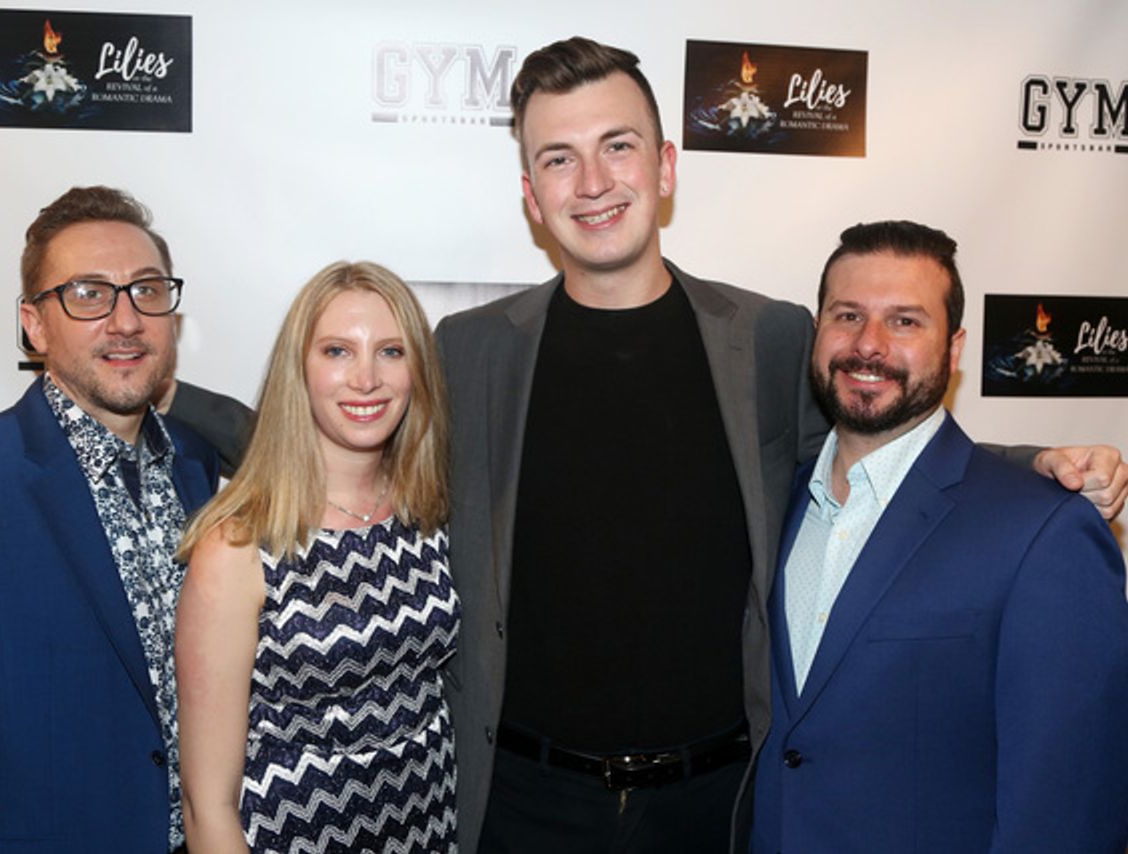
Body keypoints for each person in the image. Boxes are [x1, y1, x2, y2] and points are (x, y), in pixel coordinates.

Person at [431, 37, 1128, 853]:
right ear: (530, 193)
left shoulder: (765, 337)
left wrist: (1037, 469)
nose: (592, 183)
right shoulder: (468, 350)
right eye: (559, 158)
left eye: (616, 146)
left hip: (719, 808)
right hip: (523, 805)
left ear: (664, 165)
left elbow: (874, 447)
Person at [752, 220, 1128, 852]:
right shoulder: (773, 503)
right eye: (847, 315)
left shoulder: (1044, 531)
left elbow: (1072, 808)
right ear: (818, 331)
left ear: (953, 350)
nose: (868, 345)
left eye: (905, 321)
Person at [0, 185, 219, 852]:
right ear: (35, 324)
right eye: (88, 294)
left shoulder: (195, 465)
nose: (126, 321)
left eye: (146, 290)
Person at [175, 261, 459, 853]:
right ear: (298, 371)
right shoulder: (238, 546)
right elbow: (208, 808)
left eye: (390, 351)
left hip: (432, 830)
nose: (366, 379)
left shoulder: (428, 512)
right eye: (336, 351)